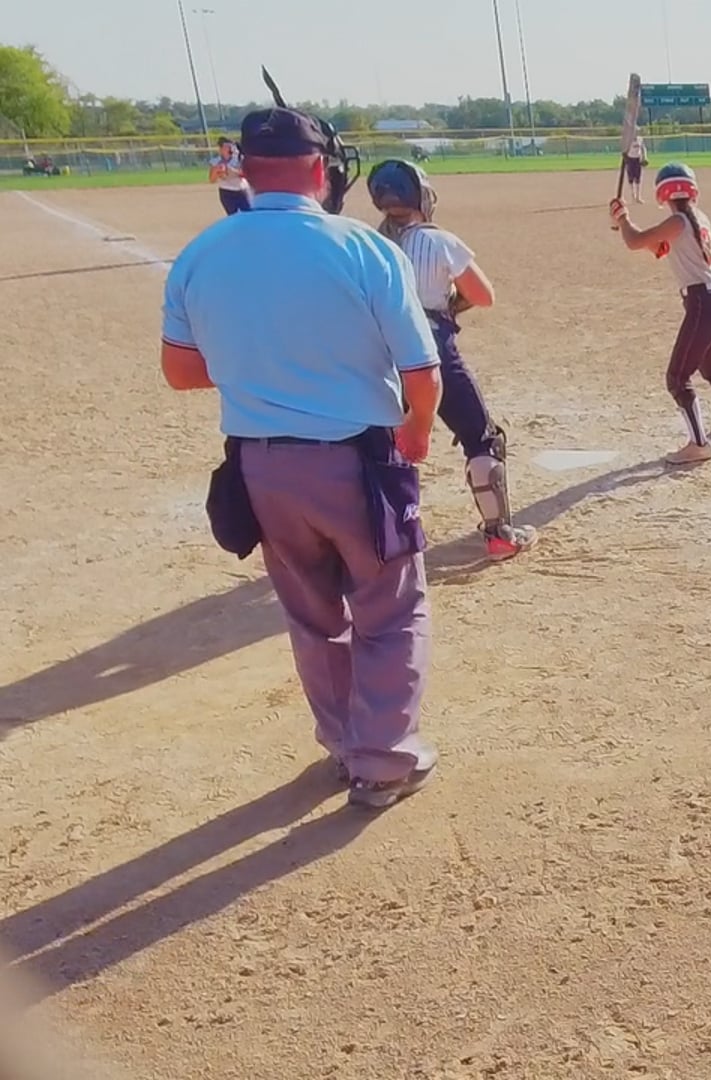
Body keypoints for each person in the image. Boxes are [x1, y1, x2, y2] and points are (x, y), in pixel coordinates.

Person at [160, 106, 443, 810]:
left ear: (245, 171)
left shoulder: (202, 252)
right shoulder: (365, 249)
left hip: (263, 467)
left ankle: (345, 745)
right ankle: (382, 760)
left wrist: (264, 369)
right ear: (321, 170)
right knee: (390, 609)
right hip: (359, 459)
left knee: (314, 617)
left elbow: (181, 372)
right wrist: (417, 431)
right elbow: (422, 372)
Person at [368, 159, 539, 560]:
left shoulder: (370, 244)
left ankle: (380, 541)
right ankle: (499, 535)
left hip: (378, 349)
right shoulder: (438, 240)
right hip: (429, 347)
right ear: (421, 197)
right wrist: (449, 305)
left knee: (381, 444)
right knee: (482, 437)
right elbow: (483, 295)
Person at [609, 162, 711, 465]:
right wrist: (624, 221)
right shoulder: (697, 218)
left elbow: (635, 241)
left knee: (677, 377)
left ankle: (699, 444)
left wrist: (623, 219)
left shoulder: (678, 221)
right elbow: (658, 248)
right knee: (708, 365)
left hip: (702, 303)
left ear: (663, 194)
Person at [208, 136, 251, 215]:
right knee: (232, 216)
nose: (229, 149)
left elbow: (246, 174)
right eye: (226, 146)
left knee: (248, 214)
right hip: (226, 192)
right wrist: (216, 170)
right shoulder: (216, 161)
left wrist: (232, 171)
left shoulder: (239, 158)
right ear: (220, 149)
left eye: (230, 146)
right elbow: (212, 180)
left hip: (241, 190)